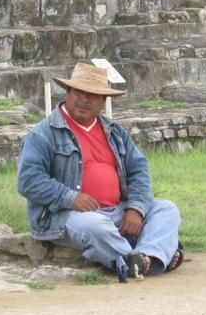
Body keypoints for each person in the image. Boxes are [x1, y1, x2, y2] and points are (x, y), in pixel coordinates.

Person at [17, 63, 184, 280]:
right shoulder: (42, 135)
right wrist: (70, 197)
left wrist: (136, 209)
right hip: (68, 216)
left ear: (103, 102)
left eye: (93, 95)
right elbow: (28, 180)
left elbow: (138, 169)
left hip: (118, 209)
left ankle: (145, 257)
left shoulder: (114, 132)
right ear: (67, 93)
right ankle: (144, 257)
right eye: (79, 92)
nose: (85, 100)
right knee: (95, 227)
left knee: (167, 209)